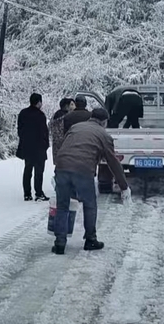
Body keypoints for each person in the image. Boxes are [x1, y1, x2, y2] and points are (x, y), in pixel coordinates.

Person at [51, 107, 130, 254]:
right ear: (104, 122)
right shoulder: (104, 135)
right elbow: (113, 162)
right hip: (83, 169)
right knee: (90, 204)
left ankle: (59, 243)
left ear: (91, 117)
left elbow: (63, 146)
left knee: (62, 206)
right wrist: (124, 186)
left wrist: (57, 170)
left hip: (62, 167)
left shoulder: (75, 127)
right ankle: (90, 240)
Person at [16, 93, 50, 202]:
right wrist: (45, 145)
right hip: (39, 148)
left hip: (27, 147)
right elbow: (44, 132)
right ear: (38, 102)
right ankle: (38, 193)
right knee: (39, 171)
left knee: (27, 170)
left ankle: (27, 194)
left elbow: (20, 129)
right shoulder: (40, 115)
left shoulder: (23, 113)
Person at [48, 97, 75, 165]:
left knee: (58, 165)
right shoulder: (68, 116)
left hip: (56, 144)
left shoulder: (55, 115)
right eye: (70, 105)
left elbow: (49, 126)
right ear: (66, 106)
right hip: (65, 144)